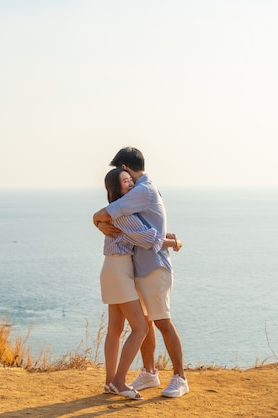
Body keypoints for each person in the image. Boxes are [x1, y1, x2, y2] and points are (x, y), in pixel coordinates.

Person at [93, 147, 189, 398]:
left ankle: (180, 378)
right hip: (137, 267)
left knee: (162, 321)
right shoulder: (141, 191)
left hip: (153, 266)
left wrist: (98, 220)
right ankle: (149, 372)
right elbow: (137, 226)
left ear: (125, 167)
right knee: (145, 322)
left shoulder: (142, 190)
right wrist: (101, 222)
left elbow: (113, 215)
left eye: (124, 174)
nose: (126, 181)